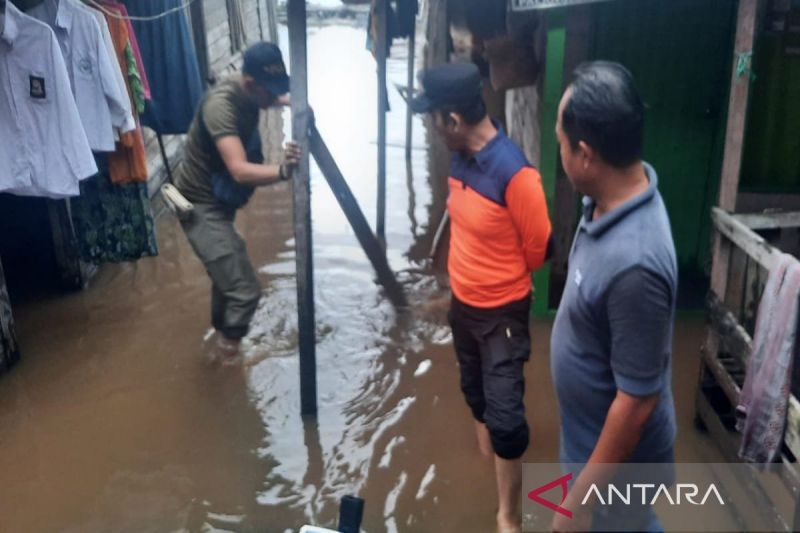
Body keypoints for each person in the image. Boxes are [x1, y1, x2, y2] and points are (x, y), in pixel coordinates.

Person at [411, 62, 552, 533]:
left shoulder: (515, 174)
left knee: (506, 420)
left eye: (433, 118)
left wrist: (498, 278)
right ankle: (486, 474)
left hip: (502, 314)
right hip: (464, 307)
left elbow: (538, 251)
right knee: (476, 397)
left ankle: (507, 517)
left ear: (453, 120)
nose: (432, 127)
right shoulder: (460, 158)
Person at [550, 61, 677, 532]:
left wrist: (579, 503)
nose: (558, 149)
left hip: (618, 473)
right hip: (591, 447)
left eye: (561, 141)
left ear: (585, 154)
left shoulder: (636, 265)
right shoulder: (608, 199)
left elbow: (638, 401)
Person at [172, 42, 300, 361]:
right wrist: (284, 170)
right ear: (250, 84)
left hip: (220, 202)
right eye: (270, 91)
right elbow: (240, 171)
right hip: (200, 207)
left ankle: (219, 343)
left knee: (227, 283)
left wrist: (296, 104)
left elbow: (275, 98)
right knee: (244, 292)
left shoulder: (252, 91)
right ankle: (226, 362)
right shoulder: (221, 107)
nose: (274, 97)